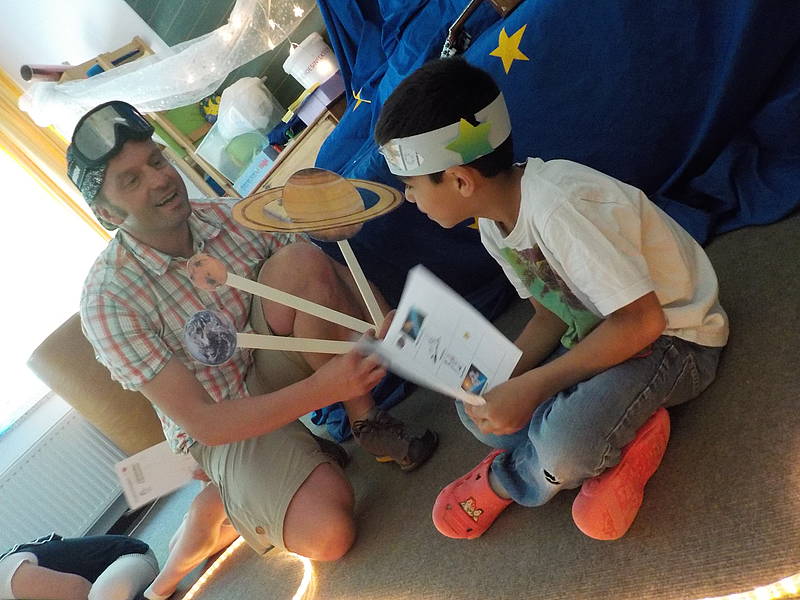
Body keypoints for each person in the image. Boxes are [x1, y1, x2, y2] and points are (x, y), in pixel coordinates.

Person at [67, 101, 438, 573]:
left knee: (300, 260)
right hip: (221, 423)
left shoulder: (230, 215)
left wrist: (382, 315)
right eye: (132, 180)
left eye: (157, 161)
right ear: (107, 213)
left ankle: (368, 425)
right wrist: (324, 387)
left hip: (273, 366)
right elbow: (205, 423)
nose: (159, 180)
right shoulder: (107, 301)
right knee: (329, 535)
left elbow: (321, 274)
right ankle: (229, 493)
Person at [374, 57, 728, 541]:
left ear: (460, 180)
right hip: (605, 337)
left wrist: (535, 387)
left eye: (411, 186)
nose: (411, 199)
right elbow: (550, 315)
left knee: (565, 446)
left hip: (676, 341)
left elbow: (643, 322)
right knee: (475, 406)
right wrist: (495, 377)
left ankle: (513, 477)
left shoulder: (558, 207)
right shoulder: (494, 225)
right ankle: (621, 431)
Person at [0, 533, 157, 600]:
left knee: (99, 597)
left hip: (129, 557)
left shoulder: (7, 577)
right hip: (102, 586)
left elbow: (79, 589)